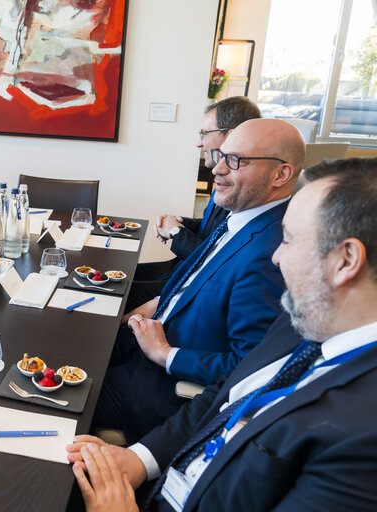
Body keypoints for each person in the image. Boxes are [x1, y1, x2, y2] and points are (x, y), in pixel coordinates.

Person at [68, 157, 377, 512]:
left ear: (346, 260)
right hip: (162, 474)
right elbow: (224, 397)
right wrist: (138, 460)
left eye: (289, 241)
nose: (276, 257)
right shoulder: (305, 322)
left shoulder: (363, 440)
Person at [94, 119, 305, 444]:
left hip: (160, 384)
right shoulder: (243, 217)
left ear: (281, 174)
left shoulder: (270, 254)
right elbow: (195, 281)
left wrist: (165, 354)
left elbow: (249, 366)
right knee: (71, 334)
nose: (217, 169)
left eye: (235, 161)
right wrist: (152, 306)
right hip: (147, 340)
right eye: (222, 155)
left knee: (52, 397)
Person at [127, 97, 262, 311]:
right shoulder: (224, 177)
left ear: (232, 133)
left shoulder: (244, 189)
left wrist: (175, 231)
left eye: (203, 134)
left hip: (188, 284)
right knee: (118, 273)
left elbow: (215, 262)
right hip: (179, 269)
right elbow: (214, 228)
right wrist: (180, 223)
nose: (199, 143)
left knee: (113, 291)